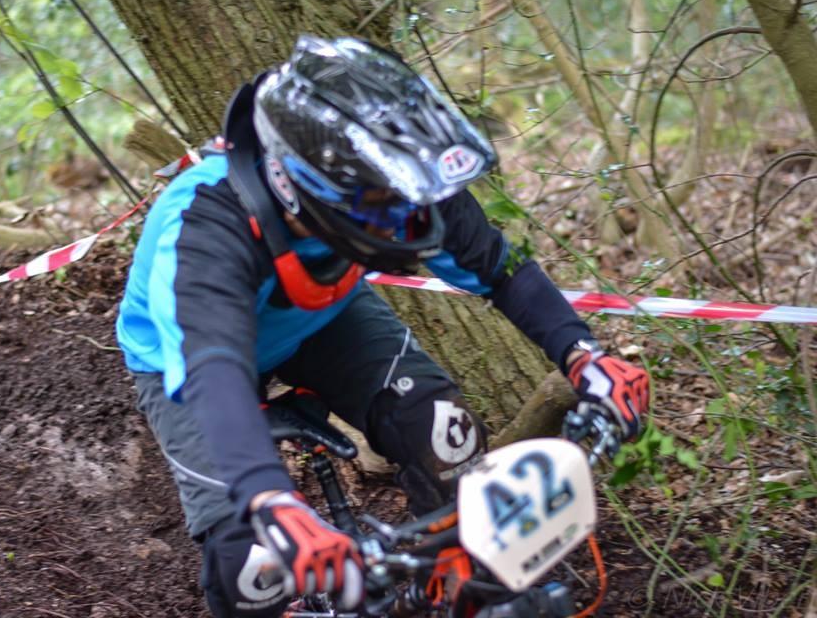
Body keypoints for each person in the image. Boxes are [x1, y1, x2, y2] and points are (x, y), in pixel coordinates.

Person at [115, 35, 650, 616]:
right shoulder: (201, 227)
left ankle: (459, 591)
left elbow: (502, 268)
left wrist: (584, 357)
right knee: (252, 563)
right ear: (304, 186)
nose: (404, 222)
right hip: (194, 359)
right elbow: (211, 370)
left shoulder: (398, 183)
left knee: (446, 434)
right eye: (380, 205)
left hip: (323, 318)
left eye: (403, 202)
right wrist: (273, 501)